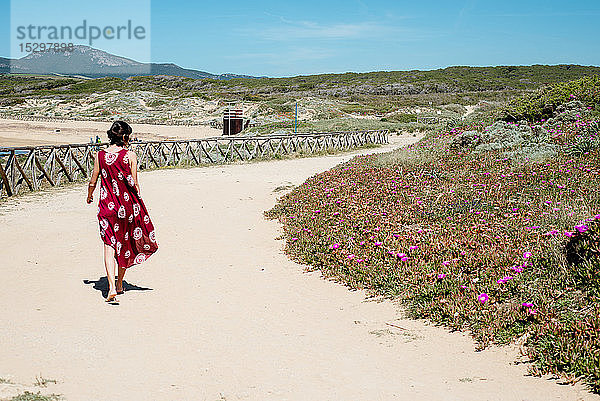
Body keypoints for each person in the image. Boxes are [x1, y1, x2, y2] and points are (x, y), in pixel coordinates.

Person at [86, 121, 158, 302]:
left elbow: (93, 181)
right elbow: (135, 185)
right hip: (125, 209)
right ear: (125, 137)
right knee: (124, 245)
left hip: (106, 208)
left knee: (109, 246)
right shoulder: (130, 156)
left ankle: (111, 287)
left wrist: (89, 196)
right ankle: (119, 284)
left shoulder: (100, 155)